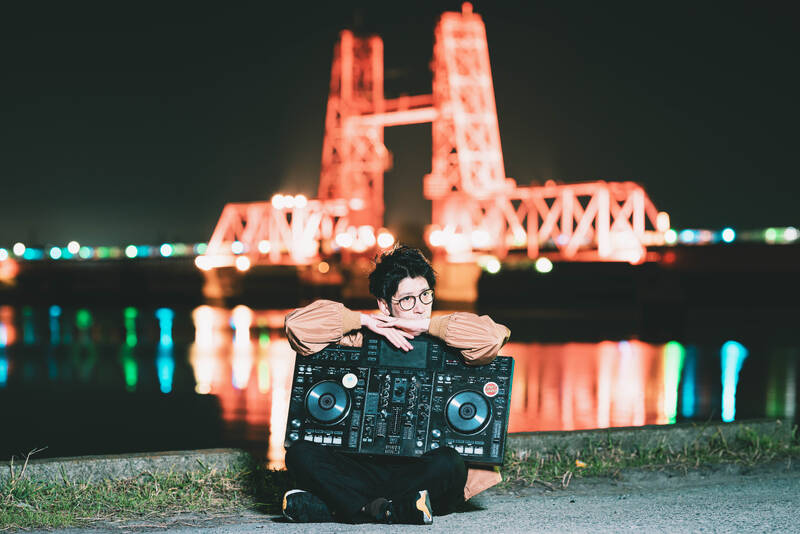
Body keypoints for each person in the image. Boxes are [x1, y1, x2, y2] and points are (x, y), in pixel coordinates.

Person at [281, 245, 511, 525]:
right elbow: (296, 326)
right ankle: (392, 509)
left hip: (419, 469)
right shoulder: (358, 339)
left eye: (425, 295)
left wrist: (427, 327)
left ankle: (342, 507)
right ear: (384, 304)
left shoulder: (447, 340)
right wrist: (363, 320)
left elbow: (492, 337)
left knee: (450, 464)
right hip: (362, 466)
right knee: (300, 454)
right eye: (407, 300)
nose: (420, 307)